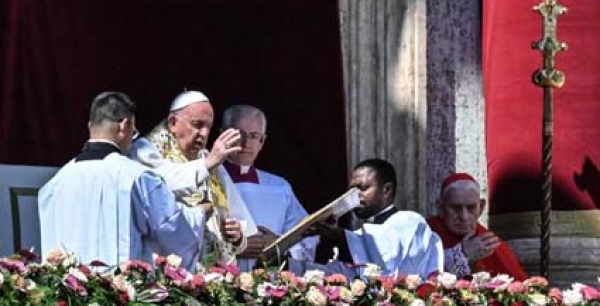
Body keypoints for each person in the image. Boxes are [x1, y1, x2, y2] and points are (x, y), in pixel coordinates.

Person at [39, 92, 239, 271]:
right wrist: (199, 213)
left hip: (69, 297)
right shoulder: (137, 177)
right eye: (133, 133)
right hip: (119, 297)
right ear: (124, 125)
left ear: (91, 126)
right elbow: (171, 227)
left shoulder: (54, 184)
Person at [129, 90, 255, 266]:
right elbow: (163, 185)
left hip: (211, 274)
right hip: (167, 270)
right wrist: (208, 163)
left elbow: (240, 222)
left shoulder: (209, 159)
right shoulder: (146, 151)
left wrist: (237, 235)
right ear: (173, 123)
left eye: (208, 127)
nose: (204, 134)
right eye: (197, 125)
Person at [308, 159, 443, 280]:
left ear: (386, 190)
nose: (355, 196)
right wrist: (293, 267)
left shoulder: (410, 221)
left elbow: (386, 258)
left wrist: (337, 234)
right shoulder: (360, 237)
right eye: (351, 191)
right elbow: (342, 274)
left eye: (363, 188)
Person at [219, 105, 317, 271]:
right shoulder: (207, 180)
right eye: (239, 134)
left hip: (269, 286)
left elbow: (306, 238)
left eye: (253, 136)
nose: (246, 143)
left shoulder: (279, 187)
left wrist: (278, 246)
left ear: (262, 142)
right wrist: (235, 247)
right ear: (223, 135)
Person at [427, 173, 528, 280]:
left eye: (471, 208)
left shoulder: (491, 244)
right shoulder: (424, 235)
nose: (464, 217)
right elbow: (416, 276)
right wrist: (463, 255)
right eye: (456, 208)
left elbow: (521, 289)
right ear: (441, 208)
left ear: (481, 207)